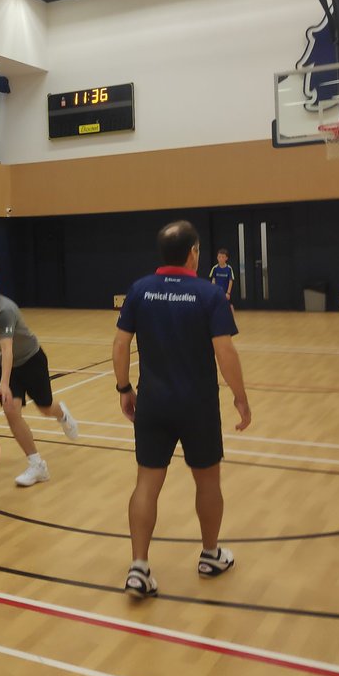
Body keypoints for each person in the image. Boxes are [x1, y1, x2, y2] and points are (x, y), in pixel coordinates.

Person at [112, 221, 251, 598]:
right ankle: (210, 555)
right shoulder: (209, 295)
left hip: (152, 403)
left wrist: (124, 387)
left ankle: (139, 568)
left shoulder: (139, 291)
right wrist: (240, 397)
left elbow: (121, 343)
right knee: (207, 481)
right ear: (193, 253)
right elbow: (226, 351)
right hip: (199, 405)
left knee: (146, 483)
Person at [0, 252, 79, 487]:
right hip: (5, 366)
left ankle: (63, 415)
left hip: (30, 360)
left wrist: (4, 383)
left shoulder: (5, 310)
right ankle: (37, 465)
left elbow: (8, 349)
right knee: (11, 409)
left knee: (45, 408)